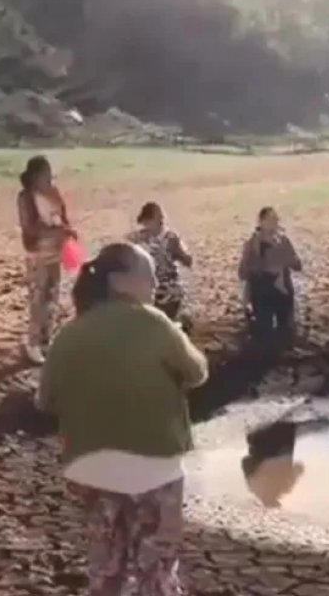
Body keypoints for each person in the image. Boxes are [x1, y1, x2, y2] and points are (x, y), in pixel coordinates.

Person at [38, 242, 208, 596]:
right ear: (119, 281)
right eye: (147, 275)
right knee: (155, 570)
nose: (154, 284)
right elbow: (197, 373)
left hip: (90, 470)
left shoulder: (69, 334)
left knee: (107, 569)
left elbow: (46, 401)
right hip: (154, 466)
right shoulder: (154, 323)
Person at [16, 156, 73, 364]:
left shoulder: (54, 193)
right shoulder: (26, 197)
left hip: (55, 253)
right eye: (46, 174)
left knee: (53, 297)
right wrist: (55, 230)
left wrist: (66, 230)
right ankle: (32, 344)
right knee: (37, 299)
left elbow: (64, 217)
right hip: (37, 254)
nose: (50, 178)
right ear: (35, 176)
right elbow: (29, 227)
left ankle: (46, 340)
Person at [238, 207, 302, 339]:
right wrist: (258, 267)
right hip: (262, 293)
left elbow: (298, 265)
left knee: (285, 332)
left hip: (282, 292)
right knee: (263, 332)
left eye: (276, 220)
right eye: (270, 220)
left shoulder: (283, 241)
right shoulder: (252, 245)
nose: (274, 223)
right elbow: (242, 273)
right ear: (261, 223)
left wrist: (286, 259)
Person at [127, 203, 193, 323]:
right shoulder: (139, 238)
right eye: (145, 222)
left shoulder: (171, 238)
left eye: (149, 221)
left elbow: (188, 261)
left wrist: (177, 253)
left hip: (169, 291)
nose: (146, 225)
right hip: (148, 291)